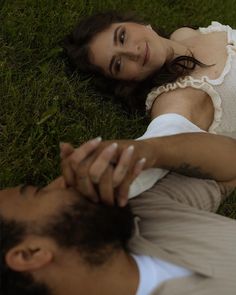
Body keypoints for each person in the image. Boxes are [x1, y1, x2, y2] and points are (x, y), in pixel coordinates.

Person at [1, 132, 236, 295]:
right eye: (40, 192)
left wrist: (151, 152)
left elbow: (229, 171)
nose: (65, 182)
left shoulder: (144, 217)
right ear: (30, 254)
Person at [64, 12, 236, 138]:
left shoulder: (183, 34)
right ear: (125, 82)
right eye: (118, 64)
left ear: (135, 22)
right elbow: (163, 137)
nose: (133, 52)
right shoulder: (175, 100)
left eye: (122, 37)